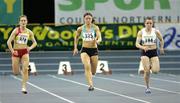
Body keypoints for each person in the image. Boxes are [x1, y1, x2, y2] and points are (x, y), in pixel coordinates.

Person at [7, 15, 37, 94]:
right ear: (19, 22)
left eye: (24, 20)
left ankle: (24, 87)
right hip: (16, 52)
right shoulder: (16, 31)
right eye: (22, 21)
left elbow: (35, 43)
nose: (23, 22)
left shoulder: (29, 32)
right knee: (16, 72)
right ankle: (19, 71)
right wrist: (12, 51)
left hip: (24, 52)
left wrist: (30, 48)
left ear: (27, 22)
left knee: (25, 69)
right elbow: (8, 42)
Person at [73, 12, 102, 91]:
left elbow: (99, 37)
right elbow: (76, 38)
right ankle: (91, 85)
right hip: (84, 50)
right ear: (84, 19)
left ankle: (91, 74)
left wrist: (98, 41)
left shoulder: (95, 27)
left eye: (89, 18)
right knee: (87, 66)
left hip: (94, 50)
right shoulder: (80, 28)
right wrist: (75, 48)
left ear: (92, 19)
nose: (88, 20)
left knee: (93, 71)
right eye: (86, 18)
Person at [135, 17, 164, 94]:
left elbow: (161, 40)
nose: (149, 24)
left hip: (153, 52)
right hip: (145, 52)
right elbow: (137, 44)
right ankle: (147, 87)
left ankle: (151, 65)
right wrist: (143, 47)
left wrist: (161, 48)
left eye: (150, 23)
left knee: (155, 71)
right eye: (147, 23)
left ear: (152, 24)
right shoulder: (141, 32)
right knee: (147, 71)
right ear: (145, 24)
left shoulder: (156, 31)